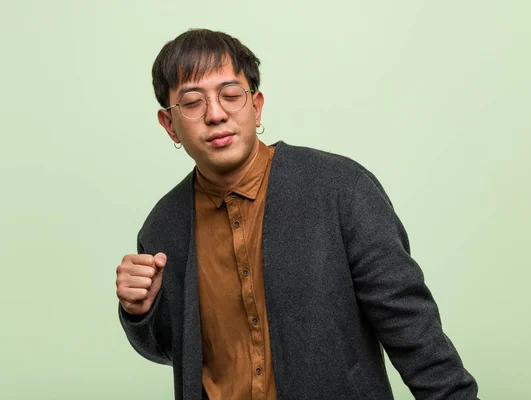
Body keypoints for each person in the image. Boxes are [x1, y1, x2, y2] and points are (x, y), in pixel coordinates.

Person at [116, 28, 479, 400]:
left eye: (230, 95)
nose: (215, 114)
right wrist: (138, 312)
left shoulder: (340, 188)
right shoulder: (164, 226)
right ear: (169, 124)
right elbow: (178, 353)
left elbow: (412, 330)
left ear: (256, 107)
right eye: (192, 102)